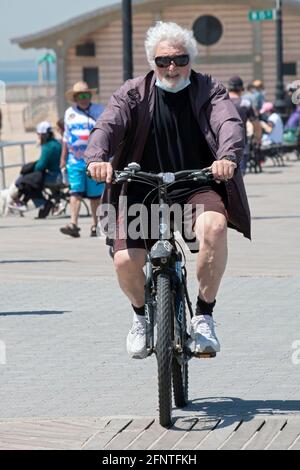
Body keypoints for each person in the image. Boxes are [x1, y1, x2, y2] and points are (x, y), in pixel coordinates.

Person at [85, 22, 250, 359]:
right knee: (124, 261)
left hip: (196, 183)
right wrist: (97, 158)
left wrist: (227, 156)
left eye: (180, 59)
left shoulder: (209, 90)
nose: (172, 67)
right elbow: (108, 124)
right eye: (163, 61)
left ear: (191, 59)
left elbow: (227, 122)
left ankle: (204, 315)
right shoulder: (133, 92)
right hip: (141, 185)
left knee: (215, 229)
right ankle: (140, 316)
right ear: (152, 62)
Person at [60, 81, 105, 238]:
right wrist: (63, 158)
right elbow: (65, 137)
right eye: (80, 96)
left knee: (95, 196)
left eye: (86, 95)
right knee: (75, 192)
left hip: (95, 160)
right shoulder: (69, 113)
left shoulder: (100, 110)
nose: (84, 99)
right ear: (75, 98)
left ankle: (95, 225)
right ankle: (73, 224)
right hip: (75, 160)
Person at [9, 121, 62, 217]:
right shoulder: (57, 143)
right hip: (58, 174)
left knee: (29, 183)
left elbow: (40, 166)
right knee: (31, 180)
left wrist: (32, 166)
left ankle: (40, 203)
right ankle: (37, 203)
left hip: (53, 176)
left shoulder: (48, 146)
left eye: (38, 134)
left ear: (42, 134)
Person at [228, 76, 262, 175]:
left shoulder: (221, 102)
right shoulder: (245, 103)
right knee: (239, 174)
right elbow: (256, 124)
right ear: (241, 89)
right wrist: (257, 138)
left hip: (221, 144)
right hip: (241, 143)